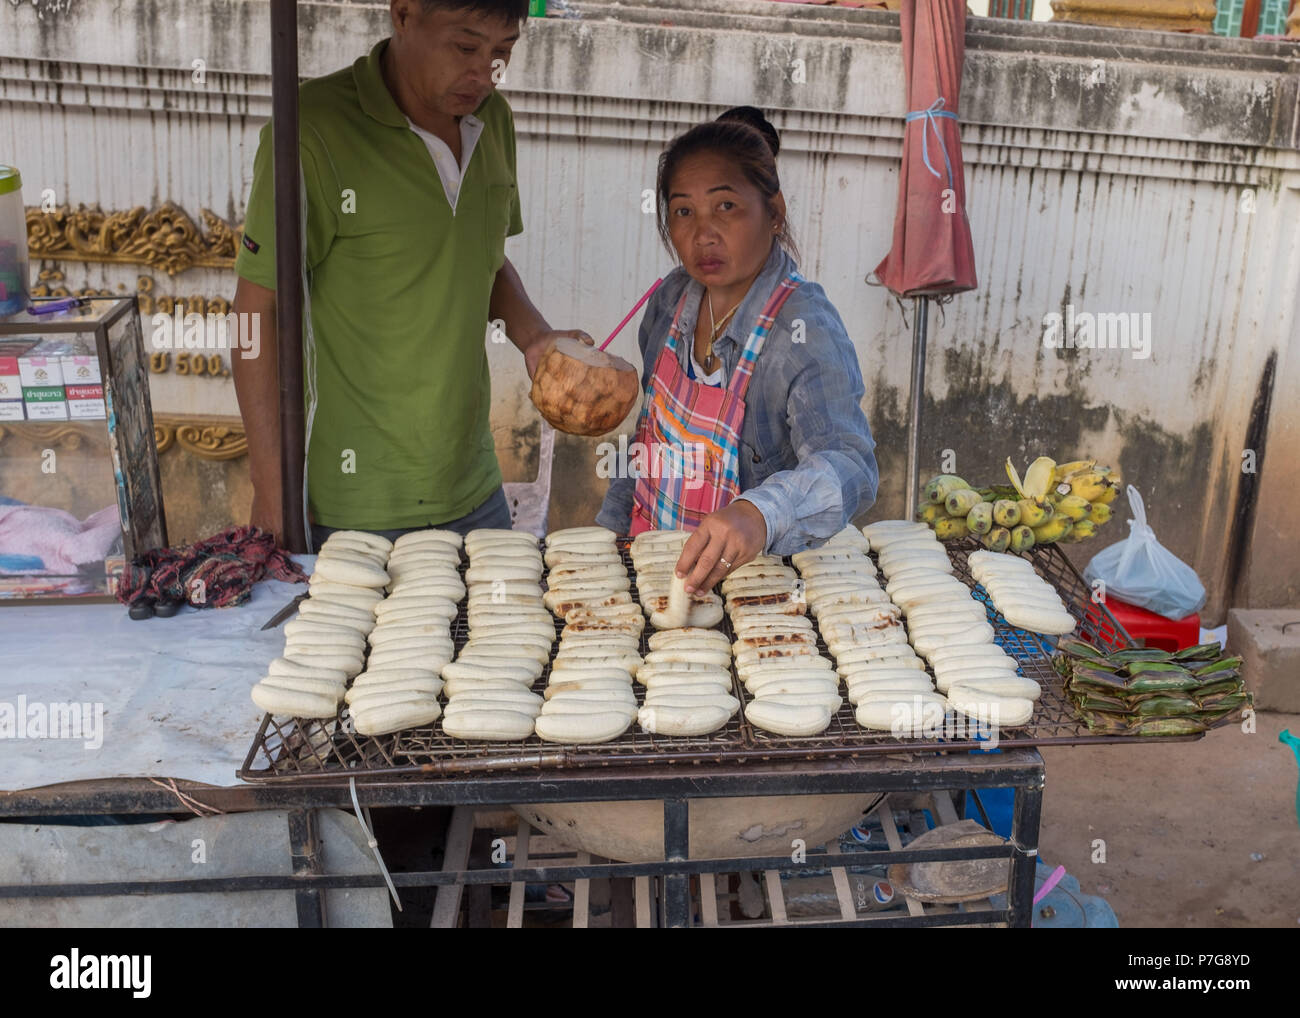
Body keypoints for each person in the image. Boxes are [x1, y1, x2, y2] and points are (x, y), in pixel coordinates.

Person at [231, 0, 591, 546]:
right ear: (404, 14)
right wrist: (271, 490)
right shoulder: (311, 131)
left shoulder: (493, 121)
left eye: (502, 52)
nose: (483, 74)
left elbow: (482, 256)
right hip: (352, 505)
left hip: (475, 491)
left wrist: (536, 338)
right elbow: (254, 315)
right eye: (466, 47)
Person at [597, 106, 878, 590]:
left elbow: (849, 464)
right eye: (683, 211)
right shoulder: (670, 301)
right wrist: (609, 536)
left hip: (754, 593)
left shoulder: (803, 328)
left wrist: (759, 514)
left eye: (726, 207)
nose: (703, 233)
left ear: (774, 212)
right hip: (652, 569)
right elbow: (650, 437)